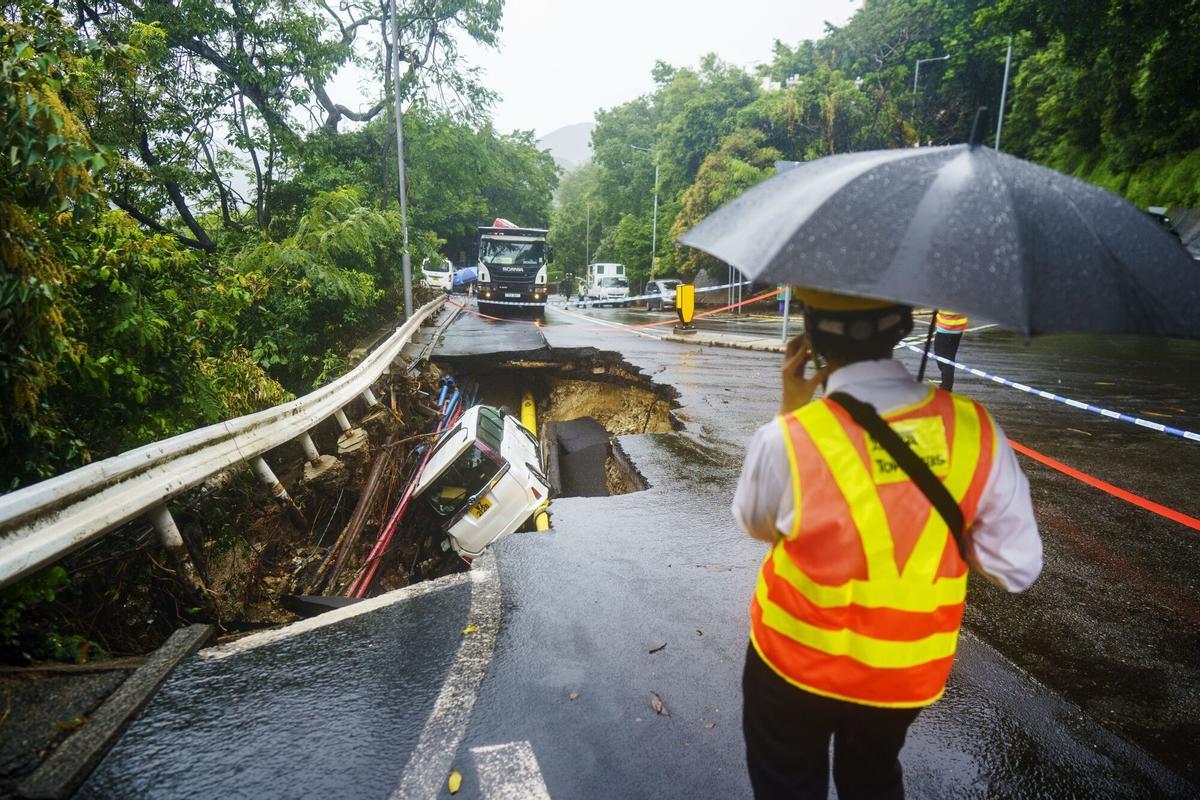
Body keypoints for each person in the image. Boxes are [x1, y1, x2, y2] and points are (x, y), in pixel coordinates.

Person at [732, 289, 1042, 800]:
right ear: (903, 324)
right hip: (902, 679)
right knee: (872, 776)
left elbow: (757, 525)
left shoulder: (789, 437)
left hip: (792, 665)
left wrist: (790, 411)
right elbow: (1018, 568)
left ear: (810, 334)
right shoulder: (975, 430)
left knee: (786, 781)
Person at [932, 310, 968, 390]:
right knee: (949, 358)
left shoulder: (947, 298)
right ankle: (946, 385)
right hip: (958, 329)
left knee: (943, 360)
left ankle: (946, 387)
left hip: (945, 329)